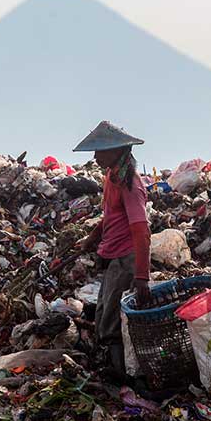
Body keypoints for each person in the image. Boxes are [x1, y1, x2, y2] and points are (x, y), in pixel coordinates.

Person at [73, 121, 151, 379]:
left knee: (110, 322)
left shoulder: (130, 184)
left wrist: (142, 277)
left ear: (117, 151)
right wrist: (92, 238)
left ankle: (122, 378)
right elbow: (110, 215)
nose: (95, 157)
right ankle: (113, 369)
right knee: (103, 314)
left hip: (126, 258)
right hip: (113, 256)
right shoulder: (112, 177)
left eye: (100, 151)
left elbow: (141, 230)